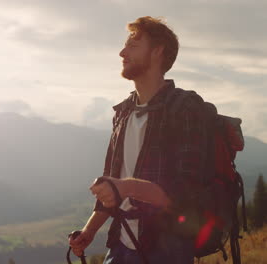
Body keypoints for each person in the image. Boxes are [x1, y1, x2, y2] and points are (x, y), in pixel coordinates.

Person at [69, 16, 207, 264]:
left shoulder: (185, 108)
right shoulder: (123, 112)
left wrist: (127, 187)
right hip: (121, 244)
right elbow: (113, 184)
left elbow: (182, 195)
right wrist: (89, 231)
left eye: (133, 46)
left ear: (157, 52)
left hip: (164, 249)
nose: (122, 52)